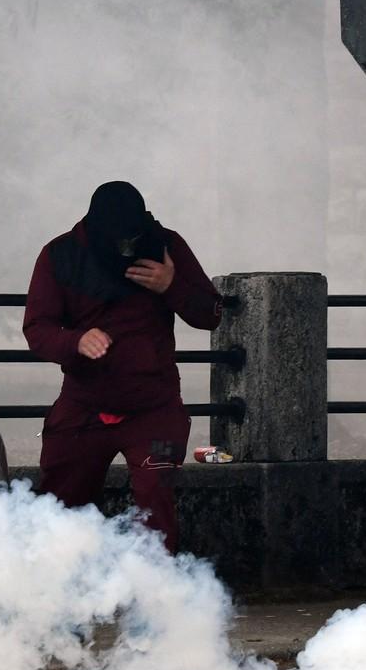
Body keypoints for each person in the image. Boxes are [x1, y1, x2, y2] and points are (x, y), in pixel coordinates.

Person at [23, 181, 222, 553]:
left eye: (133, 238)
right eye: (118, 240)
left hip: (155, 408)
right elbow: (37, 328)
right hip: (83, 406)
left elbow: (211, 314)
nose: (126, 249)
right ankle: (58, 587)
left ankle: (157, 590)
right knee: (60, 500)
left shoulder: (166, 246)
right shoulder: (60, 255)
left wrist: (172, 285)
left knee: (155, 497)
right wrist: (75, 341)